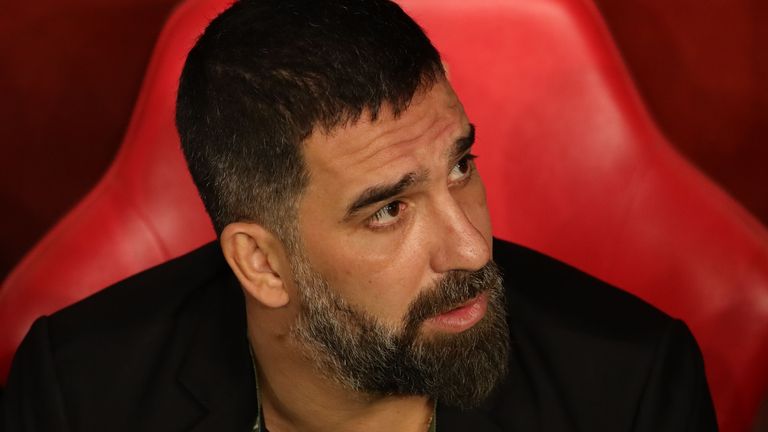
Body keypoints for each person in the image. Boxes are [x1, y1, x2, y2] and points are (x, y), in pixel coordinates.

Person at [2, 0, 717, 430]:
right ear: (261, 262)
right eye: (390, 210)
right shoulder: (79, 394)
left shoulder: (632, 390)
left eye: (461, 167)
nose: (471, 250)